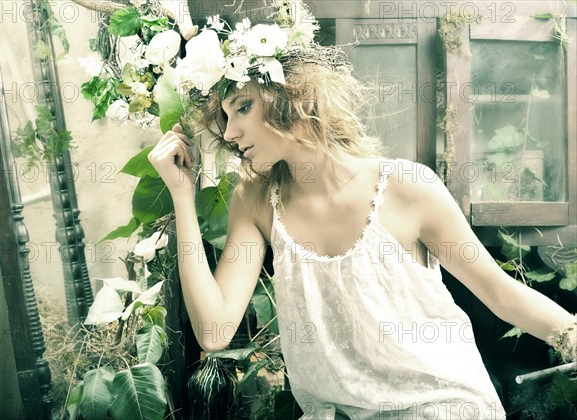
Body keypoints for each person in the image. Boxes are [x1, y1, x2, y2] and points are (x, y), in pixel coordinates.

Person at [148, 4, 576, 419]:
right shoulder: (256, 199)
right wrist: (182, 198)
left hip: (440, 403)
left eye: (243, 107)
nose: (230, 131)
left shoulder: (407, 186)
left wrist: (574, 338)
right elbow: (214, 331)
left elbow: (500, 292)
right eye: (224, 116)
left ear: (291, 96)